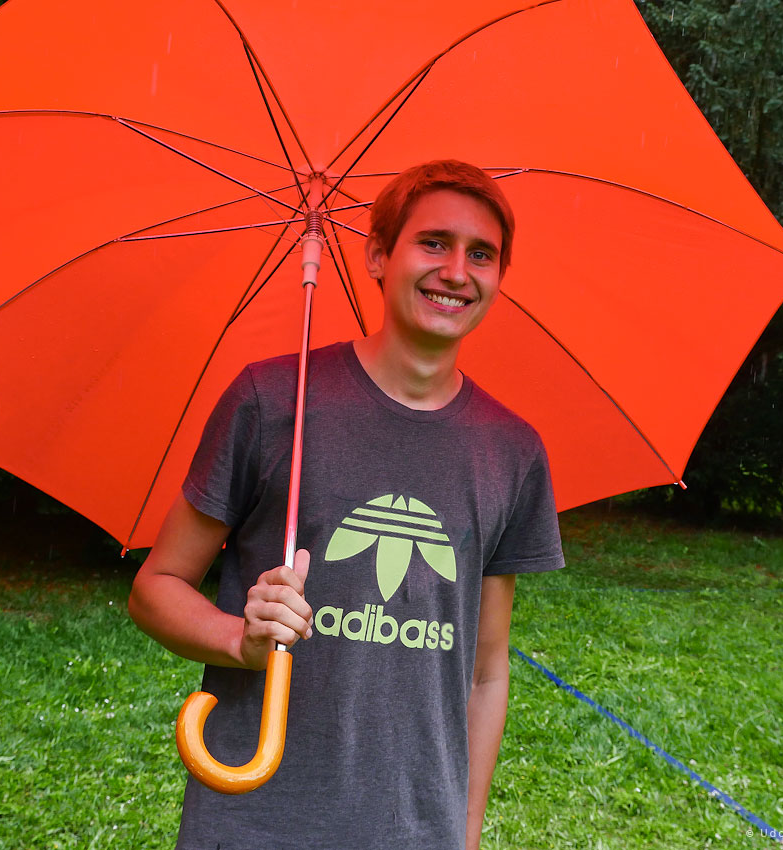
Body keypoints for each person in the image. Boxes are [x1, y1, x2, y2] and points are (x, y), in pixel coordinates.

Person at [128, 160, 565, 850]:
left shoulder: (511, 450)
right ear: (378, 256)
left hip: (415, 830)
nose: (456, 271)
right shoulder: (272, 401)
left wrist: (464, 835)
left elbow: (486, 672)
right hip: (254, 819)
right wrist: (239, 640)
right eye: (433, 243)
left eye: (481, 254)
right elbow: (156, 586)